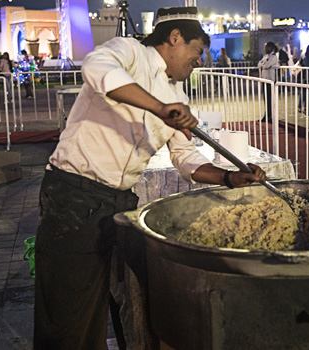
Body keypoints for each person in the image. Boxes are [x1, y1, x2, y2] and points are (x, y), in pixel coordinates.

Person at [33, 7, 267, 350]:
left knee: (123, 296)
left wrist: (230, 177)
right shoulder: (129, 52)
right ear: (175, 38)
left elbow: (185, 159)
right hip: (74, 196)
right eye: (196, 51)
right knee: (68, 311)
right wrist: (158, 108)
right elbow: (96, 69)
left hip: (120, 201)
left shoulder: (178, 96)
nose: (198, 62)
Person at [257, 41, 279, 122]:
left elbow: (266, 65)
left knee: (270, 99)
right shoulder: (265, 56)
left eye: (267, 47)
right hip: (264, 80)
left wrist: (264, 64)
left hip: (271, 80)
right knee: (266, 99)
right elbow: (259, 64)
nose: (266, 49)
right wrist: (264, 64)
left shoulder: (274, 57)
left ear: (272, 48)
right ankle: (267, 114)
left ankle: (270, 115)